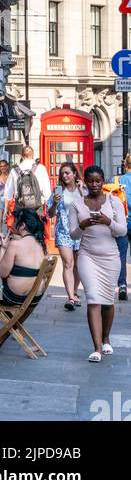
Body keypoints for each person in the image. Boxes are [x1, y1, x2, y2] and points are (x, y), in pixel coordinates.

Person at [68, 165, 127, 362]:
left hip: (110, 257)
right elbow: (73, 234)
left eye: (98, 181)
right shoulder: (77, 204)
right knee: (93, 298)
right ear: (85, 182)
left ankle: (106, 337)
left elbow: (122, 231)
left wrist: (108, 221)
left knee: (107, 302)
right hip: (87, 256)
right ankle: (97, 348)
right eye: (90, 181)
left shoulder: (114, 201)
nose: (94, 185)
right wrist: (83, 225)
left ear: (103, 181)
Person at [0, 207, 48, 343]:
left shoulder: (16, 244)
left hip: (13, 297)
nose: (12, 224)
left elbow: (2, 273)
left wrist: (3, 248)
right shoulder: (40, 245)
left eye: (15, 221)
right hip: (33, 297)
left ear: (22, 226)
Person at [46, 161, 82, 310]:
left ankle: (74, 292)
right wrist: (54, 203)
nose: (65, 175)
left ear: (74, 174)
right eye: (62, 173)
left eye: (68, 173)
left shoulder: (83, 190)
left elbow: (91, 207)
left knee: (78, 266)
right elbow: (49, 214)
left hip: (81, 232)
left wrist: (82, 191)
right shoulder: (58, 192)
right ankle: (71, 297)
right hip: (63, 232)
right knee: (68, 263)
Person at [5, 146, 51, 221]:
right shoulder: (41, 168)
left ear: (21, 156)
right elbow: (47, 192)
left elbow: (8, 193)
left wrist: (7, 209)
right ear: (33, 155)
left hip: (20, 208)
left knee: (21, 230)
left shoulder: (14, 170)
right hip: (38, 207)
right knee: (37, 231)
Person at [115, 154, 131, 301]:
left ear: (125, 165)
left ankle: (122, 285)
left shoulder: (119, 181)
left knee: (122, 255)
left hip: (124, 222)